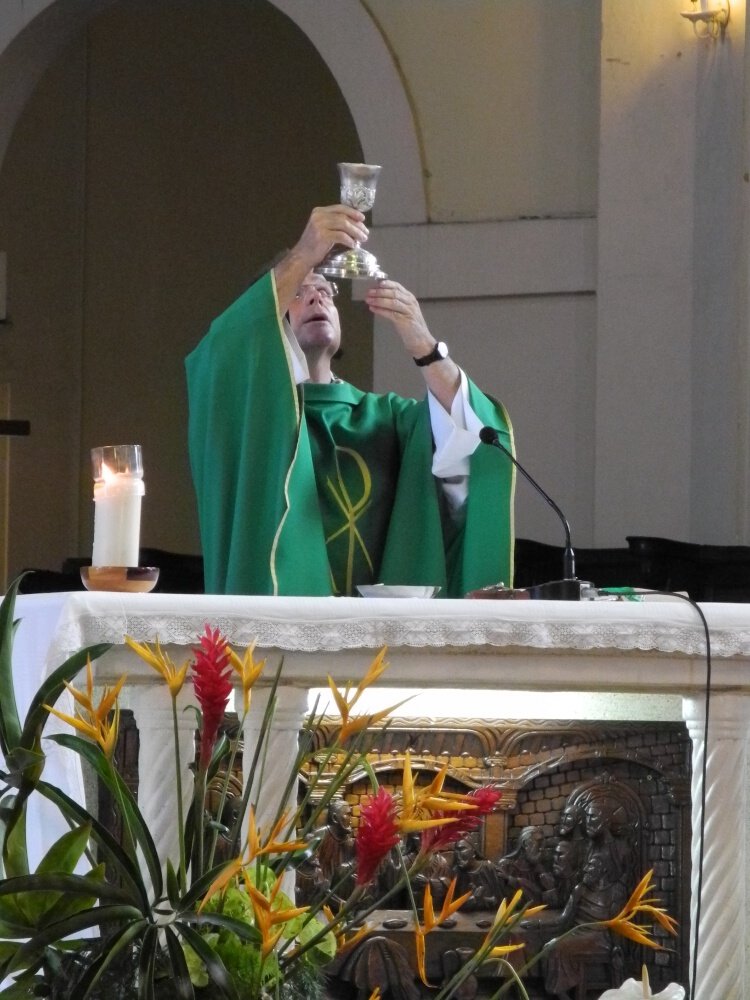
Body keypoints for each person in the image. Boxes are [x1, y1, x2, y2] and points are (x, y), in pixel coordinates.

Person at [186, 204, 515, 596]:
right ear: (267, 320)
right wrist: (305, 253)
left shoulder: (387, 419)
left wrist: (424, 345)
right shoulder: (252, 421)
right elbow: (223, 354)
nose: (316, 299)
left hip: (385, 640)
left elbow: (477, 438)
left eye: (325, 290)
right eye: (298, 292)